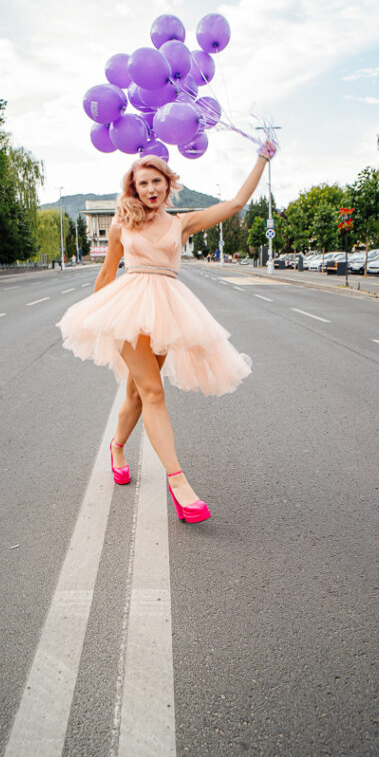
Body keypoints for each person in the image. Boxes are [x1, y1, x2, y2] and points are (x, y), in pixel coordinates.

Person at [56, 140, 277, 524]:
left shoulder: (181, 223)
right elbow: (107, 274)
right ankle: (179, 484)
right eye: (142, 183)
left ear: (168, 183)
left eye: (156, 181)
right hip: (128, 309)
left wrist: (262, 158)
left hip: (166, 311)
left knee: (137, 393)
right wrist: (96, 320)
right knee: (154, 391)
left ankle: (117, 447)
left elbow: (236, 204)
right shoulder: (121, 224)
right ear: (134, 187)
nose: (150, 189)